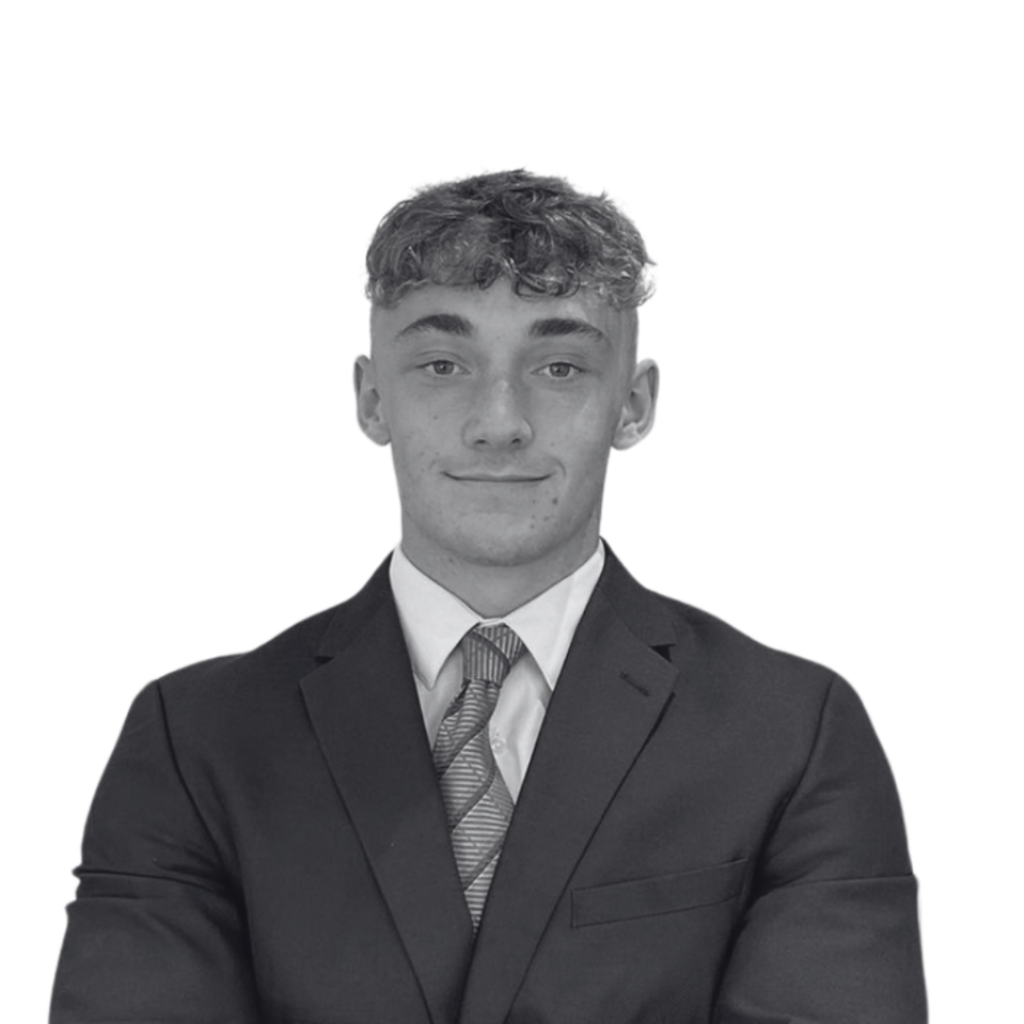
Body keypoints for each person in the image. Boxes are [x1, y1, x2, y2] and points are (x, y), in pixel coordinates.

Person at [50, 170, 928, 1023]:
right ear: (371, 399)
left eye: (560, 367)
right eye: (442, 364)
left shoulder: (789, 735)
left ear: (633, 404)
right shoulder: (199, 743)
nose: (499, 421)